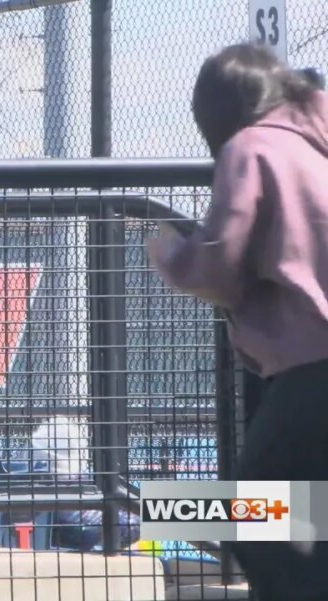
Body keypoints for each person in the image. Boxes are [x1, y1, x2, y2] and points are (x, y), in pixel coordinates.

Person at [148, 43, 328, 600]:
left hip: (311, 368)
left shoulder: (252, 147)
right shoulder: (317, 143)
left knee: (257, 508)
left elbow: (221, 261)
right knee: (301, 512)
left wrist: (169, 252)